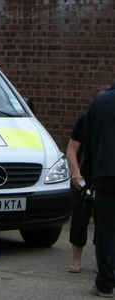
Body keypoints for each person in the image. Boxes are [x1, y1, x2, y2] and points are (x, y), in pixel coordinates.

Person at [67, 85, 109, 273]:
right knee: (79, 219)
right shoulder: (85, 121)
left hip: (104, 176)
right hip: (83, 176)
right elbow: (71, 149)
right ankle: (76, 259)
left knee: (105, 222)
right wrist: (76, 172)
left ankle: (104, 262)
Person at [81, 83, 115, 298]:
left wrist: (88, 174)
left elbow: (88, 142)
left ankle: (105, 283)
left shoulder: (100, 102)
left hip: (106, 173)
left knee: (106, 230)